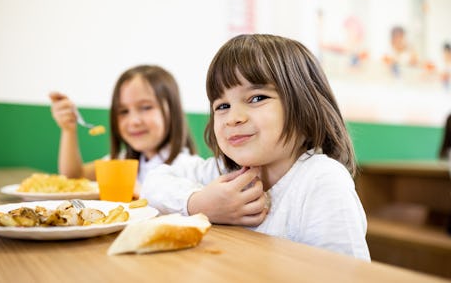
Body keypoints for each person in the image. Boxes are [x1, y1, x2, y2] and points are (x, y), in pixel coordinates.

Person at [141, 34, 370, 260]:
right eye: (222, 105)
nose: (233, 118)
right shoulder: (223, 173)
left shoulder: (323, 181)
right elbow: (154, 181)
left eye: (257, 98)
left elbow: (344, 274)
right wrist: (197, 204)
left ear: (307, 107)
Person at [49, 64, 198, 197]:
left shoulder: (190, 168)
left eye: (146, 107)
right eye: (123, 111)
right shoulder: (122, 161)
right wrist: (69, 130)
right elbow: (74, 177)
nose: (133, 121)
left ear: (172, 111)